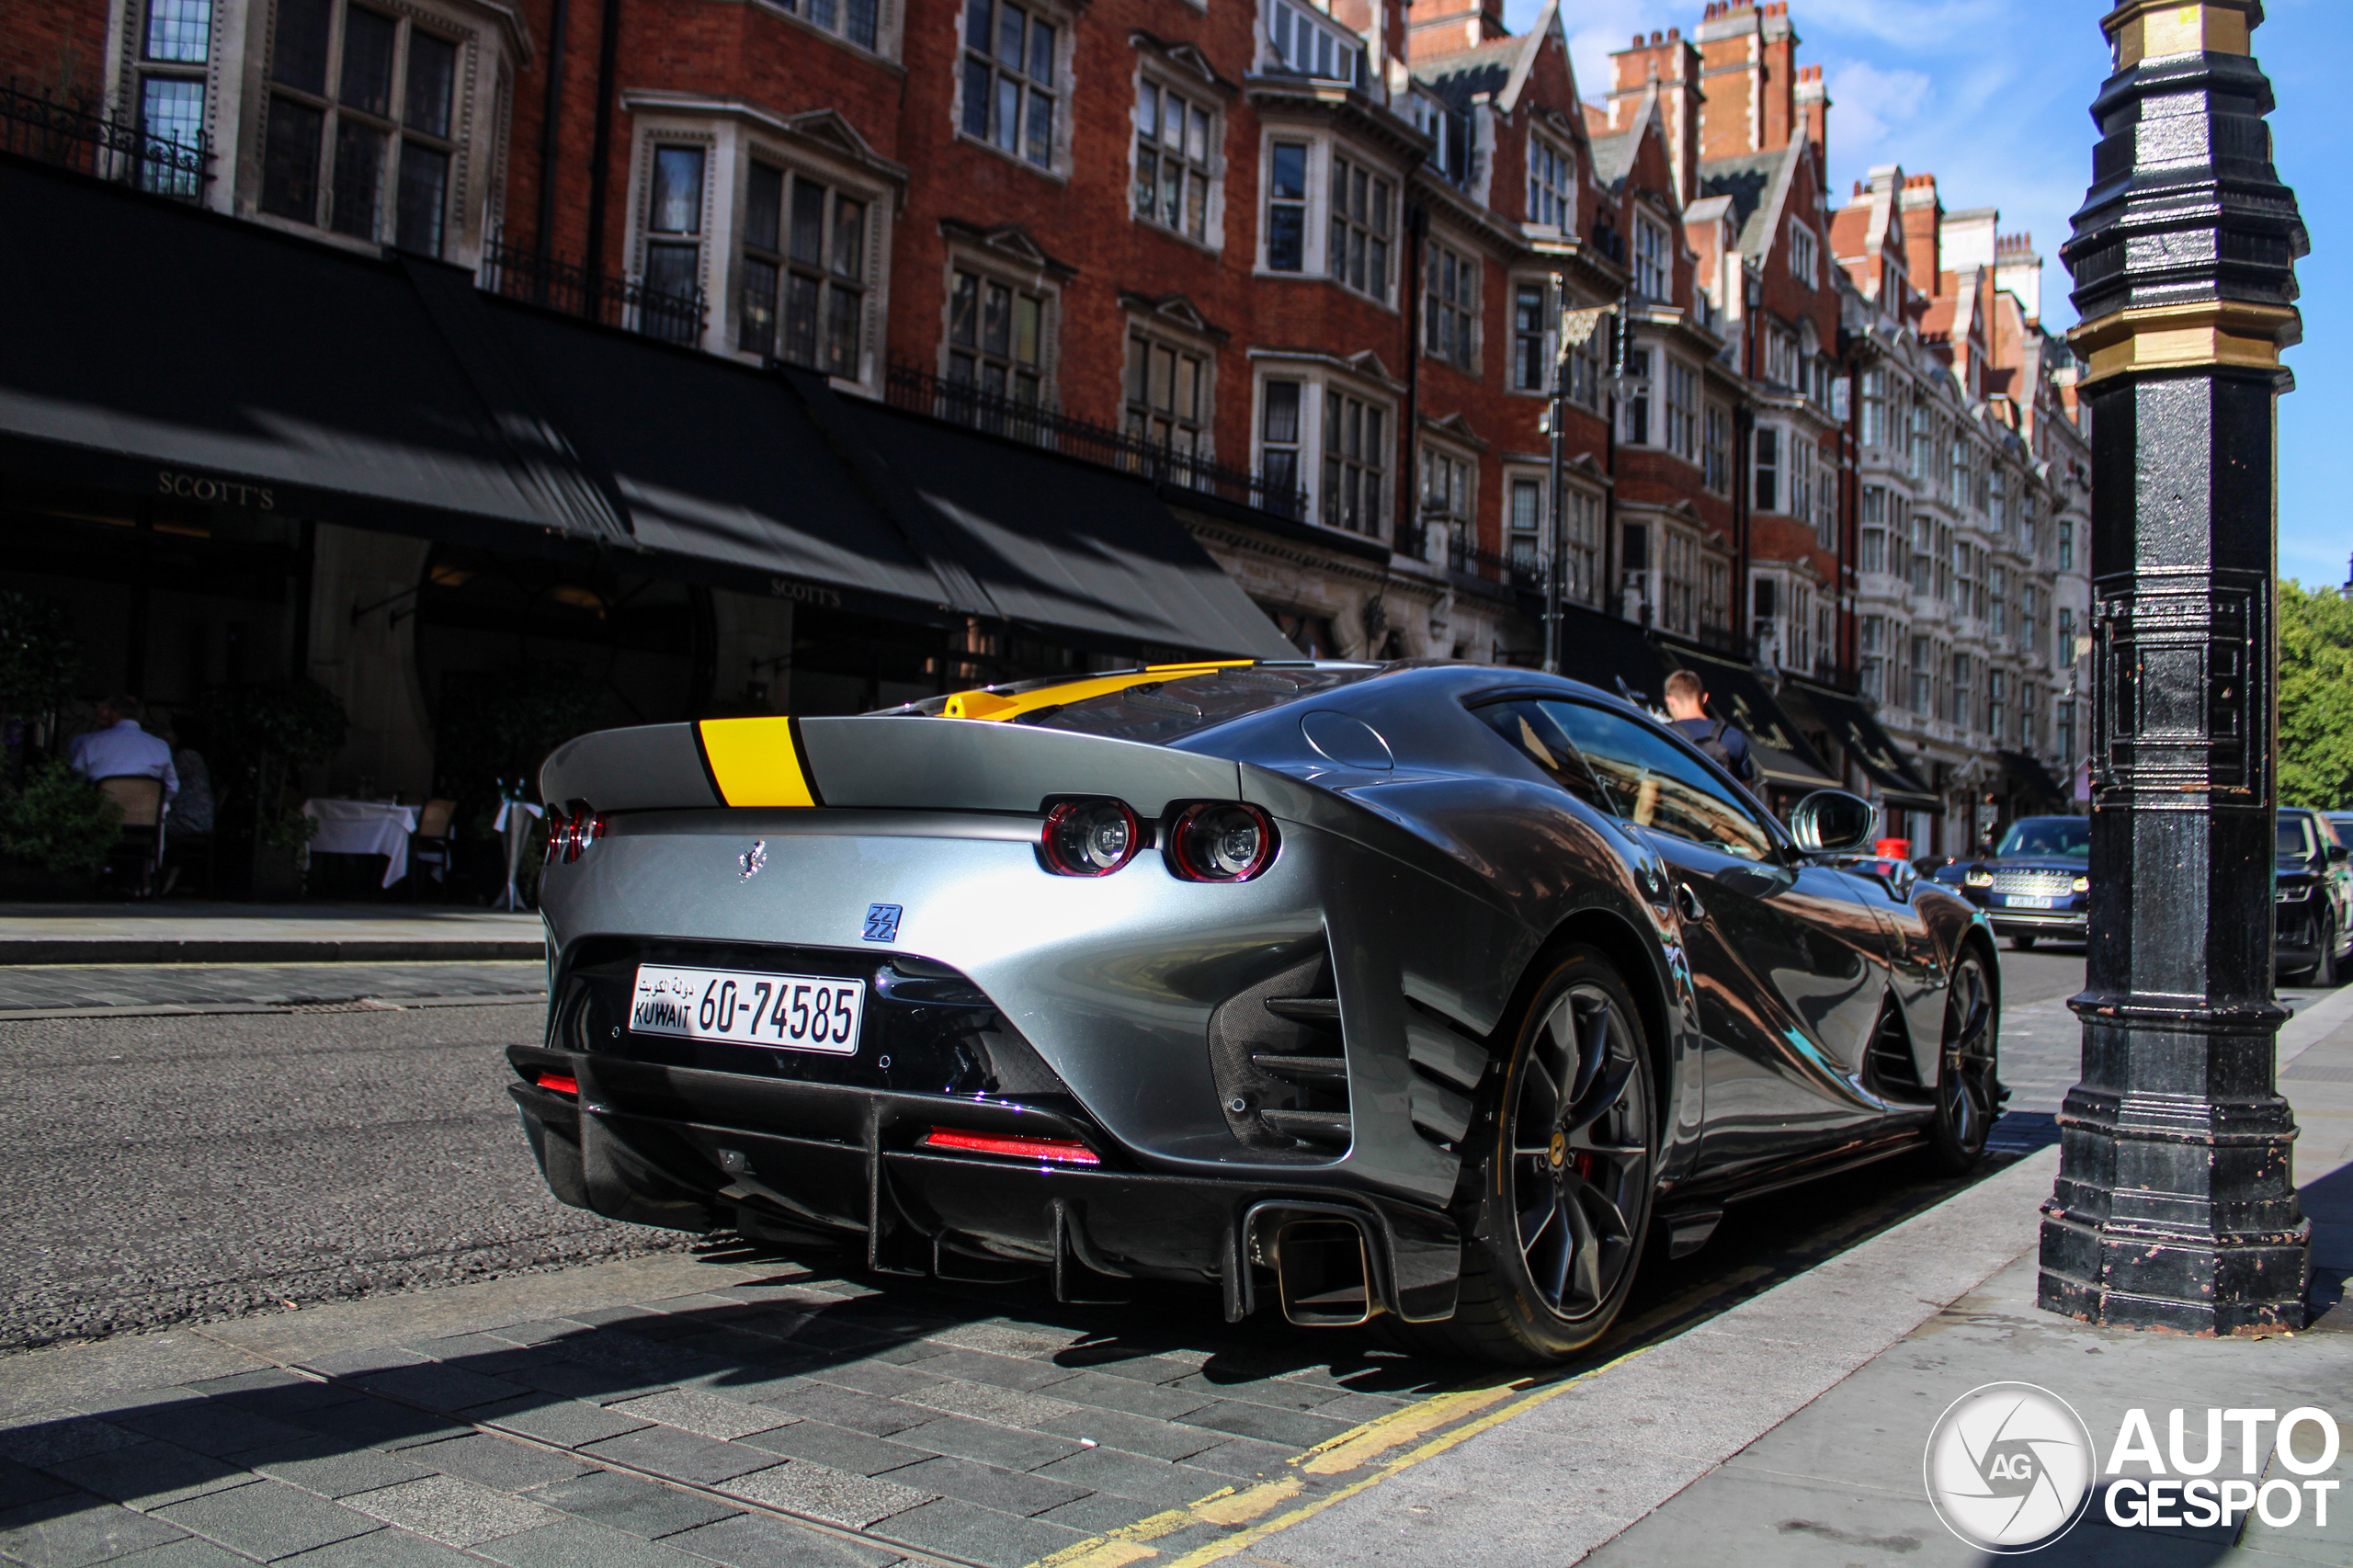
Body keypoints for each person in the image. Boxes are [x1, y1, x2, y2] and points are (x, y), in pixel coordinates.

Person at [67, 694, 179, 802]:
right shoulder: (160, 746)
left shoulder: (91, 743)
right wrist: (152, 805)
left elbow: (76, 781)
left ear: (113, 714)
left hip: (102, 817)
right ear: (141, 715)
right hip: (144, 817)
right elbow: (172, 787)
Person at [1661, 669, 1756, 788]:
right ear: (1705, 698)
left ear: (1670, 700)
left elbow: (1650, 787)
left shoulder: (1662, 734)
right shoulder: (1734, 737)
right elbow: (1745, 791)